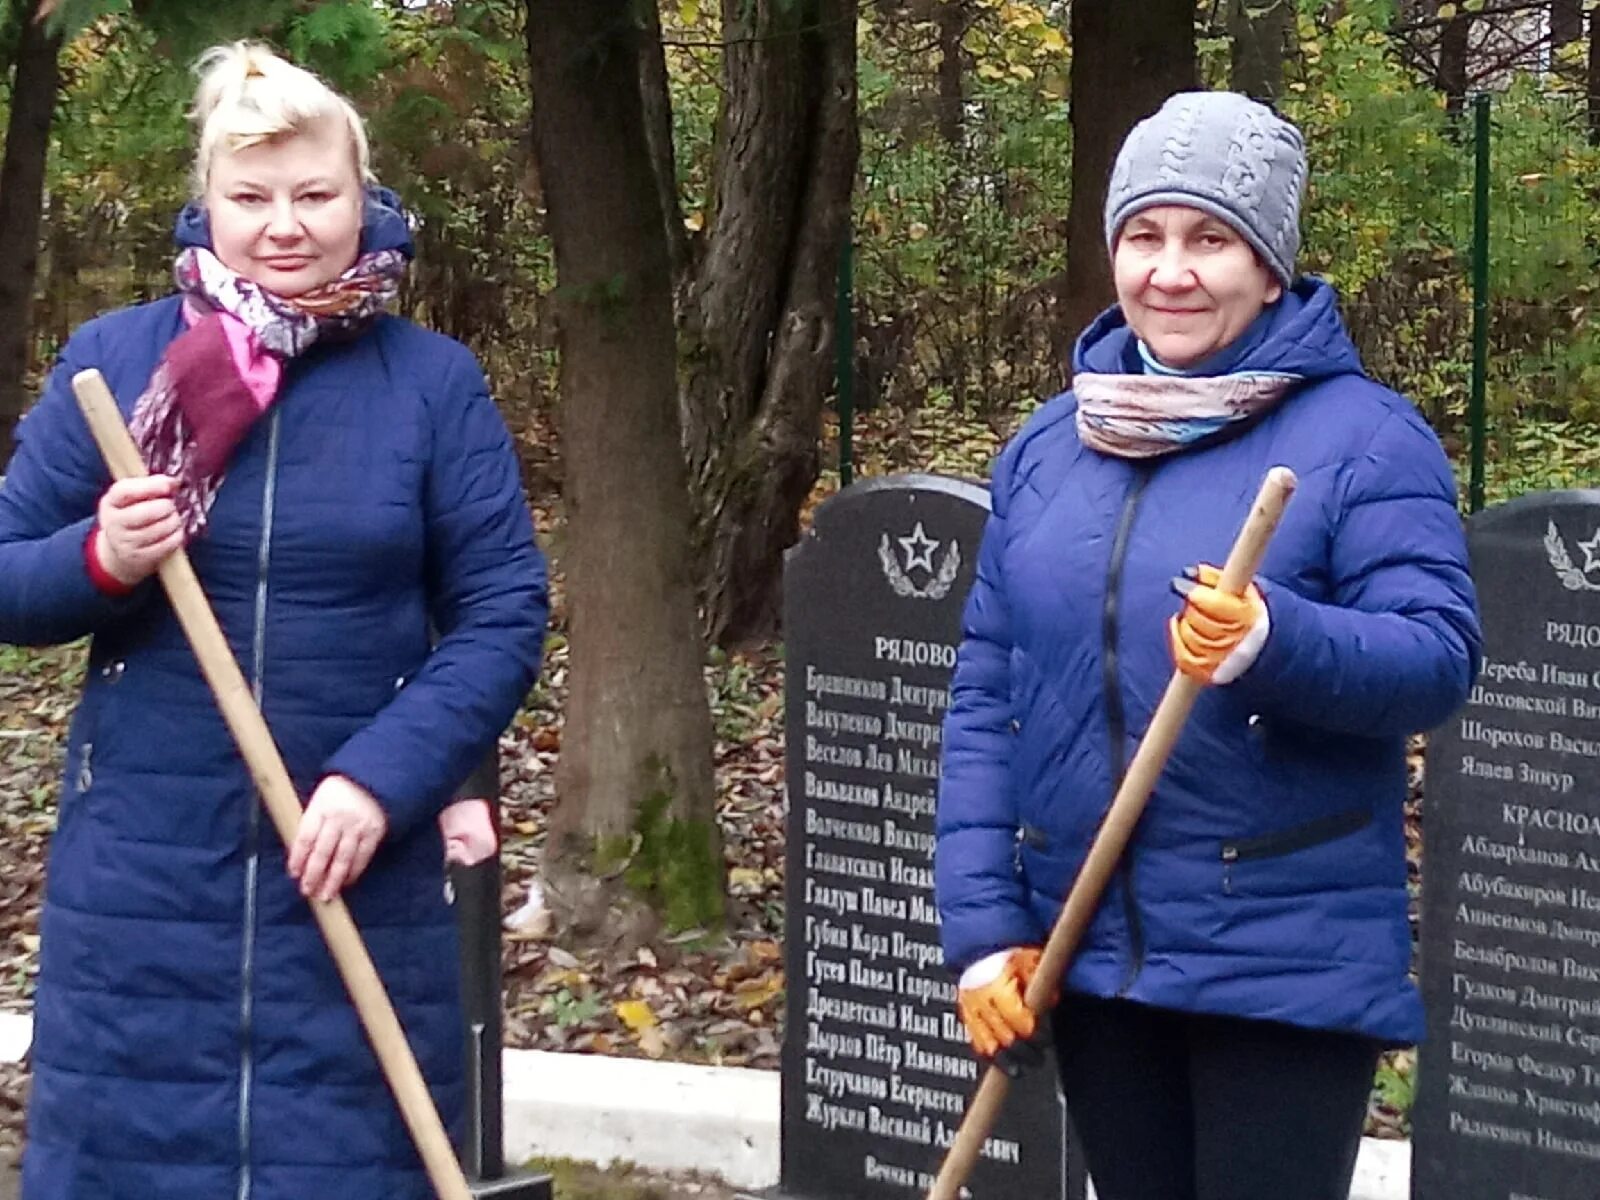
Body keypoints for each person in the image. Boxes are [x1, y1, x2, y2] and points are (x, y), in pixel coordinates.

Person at [0, 43, 547, 1200]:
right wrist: (103, 556)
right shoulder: (117, 363)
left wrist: (381, 779)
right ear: (208, 202)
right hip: (146, 890)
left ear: (365, 199)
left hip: (354, 876)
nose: (284, 226)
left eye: (315, 194)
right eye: (251, 198)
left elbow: (502, 614)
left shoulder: (428, 384)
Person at [936, 92, 1481, 1200]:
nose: (1168, 271)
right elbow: (990, 694)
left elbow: (1433, 659)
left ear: (1270, 268)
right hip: (1088, 946)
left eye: (1209, 239)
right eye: (1143, 235)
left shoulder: (1363, 438)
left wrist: (1274, 641)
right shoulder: (1051, 445)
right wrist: (986, 931)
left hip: (1276, 959)